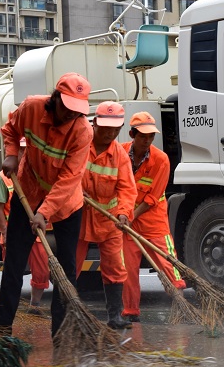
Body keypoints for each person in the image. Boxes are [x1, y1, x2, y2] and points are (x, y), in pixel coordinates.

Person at [0, 72, 93, 338]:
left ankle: (61, 332)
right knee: (14, 262)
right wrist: (12, 155)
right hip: (27, 191)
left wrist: (44, 213)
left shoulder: (83, 131)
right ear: (56, 98)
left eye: (77, 111)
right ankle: (3, 327)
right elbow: (10, 129)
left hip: (66, 204)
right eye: (67, 108)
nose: (70, 115)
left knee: (66, 269)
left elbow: (69, 179)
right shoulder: (31, 107)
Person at [75, 101, 136, 330]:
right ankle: (67, 312)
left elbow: (127, 189)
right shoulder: (80, 145)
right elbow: (66, 171)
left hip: (108, 218)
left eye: (115, 130)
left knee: (114, 267)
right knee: (71, 265)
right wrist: (75, 189)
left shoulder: (119, 155)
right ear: (94, 123)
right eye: (105, 128)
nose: (110, 134)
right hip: (78, 215)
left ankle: (115, 316)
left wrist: (122, 213)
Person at [121, 111, 186, 322]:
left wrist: (132, 215)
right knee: (127, 270)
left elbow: (153, 197)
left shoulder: (161, 160)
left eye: (151, 136)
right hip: (126, 222)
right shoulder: (120, 153)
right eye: (142, 136)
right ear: (132, 134)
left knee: (167, 262)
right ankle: (130, 312)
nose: (147, 140)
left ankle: (180, 302)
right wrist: (124, 215)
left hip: (153, 221)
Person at [0, 137, 50, 314]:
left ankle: (34, 305)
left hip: (35, 229)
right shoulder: (2, 178)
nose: (24, 153)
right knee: (13, 272)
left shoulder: (36, 174)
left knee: (42, 271)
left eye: (27, 150)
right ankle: (11, 310)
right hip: (13, 231)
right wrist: (5, 232)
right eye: (21, 150)